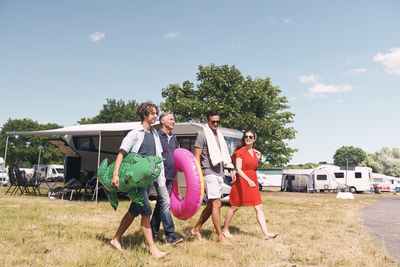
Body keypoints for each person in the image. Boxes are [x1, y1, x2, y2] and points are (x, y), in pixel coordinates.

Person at [109, 101, 167, 259]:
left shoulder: (154, 134)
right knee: (146, 212)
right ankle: (153, 249)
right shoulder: (135, 133)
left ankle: (116, 239)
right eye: (153, 113)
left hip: (148, 181)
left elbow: (158, 156)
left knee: (133, 211)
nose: (156, 116)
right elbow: (121, 153)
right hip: (136, 181)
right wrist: (115, 174)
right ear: (145, 115)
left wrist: (160, 178)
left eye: (156, 113)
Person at [222, 130, 278, 240]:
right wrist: (248, 180)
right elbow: (238, 169)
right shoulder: (240, 152)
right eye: (246, 136)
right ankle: (225, 229)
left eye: (250, 137)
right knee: (234, 207)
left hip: (252, 180)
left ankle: (266, 233)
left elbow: (253, 167)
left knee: (259, 206)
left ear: (254, 139)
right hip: (242, 181)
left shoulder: (256, 153)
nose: (248, 138)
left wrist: (258, 157)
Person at [190, 110, 233, 246]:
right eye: (213, 121)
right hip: (208, 172)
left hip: (219, 172)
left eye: (217, 122)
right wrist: (199, 175)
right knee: (217, 203)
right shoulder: (202, 135)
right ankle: (220, 237)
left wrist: (229, 169)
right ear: (207, 121)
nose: (215, 124)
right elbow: (196, 156)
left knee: (211, 205)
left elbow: (224, 155)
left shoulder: (219, 135)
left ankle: (195, 229)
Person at [150, 111, 183, 244]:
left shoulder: (174, 138)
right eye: (171, 119)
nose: (173, 121)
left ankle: (152, 231)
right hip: (161, 176)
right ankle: (170, 235)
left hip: (171, 176)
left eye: (174, 119)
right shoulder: (157, 137)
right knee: (165, 204)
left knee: (161, 204)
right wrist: (159, 174)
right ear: (162, 121)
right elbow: (154, 157)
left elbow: (176, 155)